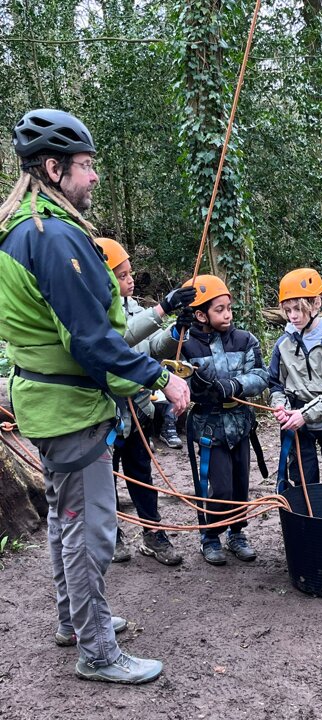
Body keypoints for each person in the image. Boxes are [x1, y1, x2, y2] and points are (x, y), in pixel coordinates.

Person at [0, 109, 190, 685]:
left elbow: (86, 331)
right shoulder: (54, 238)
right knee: (90, 530)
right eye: (85, 165)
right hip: (72, 409)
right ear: (53, 168)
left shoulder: (23, 228)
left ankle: (76, 621)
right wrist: (160, 378)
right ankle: (98, 651)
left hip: (49, 402)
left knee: (65, 519)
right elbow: (90, 341)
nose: (94, 176)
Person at [94, 237, 194, 565]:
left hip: (137, 409)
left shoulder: (135, 309)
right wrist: (163, 308)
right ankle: (111, 534)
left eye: (130, 273)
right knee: (106, 478)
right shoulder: (92, 314)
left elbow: (150, 348)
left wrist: (174, 334)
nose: (130, 280)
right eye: (121, 276)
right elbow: (117, 341)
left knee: (141, 474)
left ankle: (153, 533)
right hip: (105, 414)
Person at [179, 275, 269, 565]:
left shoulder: (245, 340)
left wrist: (235, 385)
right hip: (210, 429)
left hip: (240, 425)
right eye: (219, 310)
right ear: (201, 315)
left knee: (240, 485)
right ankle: (210, 536)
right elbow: (176, 381)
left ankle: (237, 533)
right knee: (220, 487)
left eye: (229, 308)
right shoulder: (186, 345)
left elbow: (262, 375)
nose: (228, 314)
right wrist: (198, 386)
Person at [269, 268, 322, 486]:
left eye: (299, 308)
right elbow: (275, 384)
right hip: (297, 426)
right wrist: (279, 405)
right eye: (288, 310)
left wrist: (305, 415)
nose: (293, 316)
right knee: (303, 485)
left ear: (316, 303)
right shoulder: (283, 343)